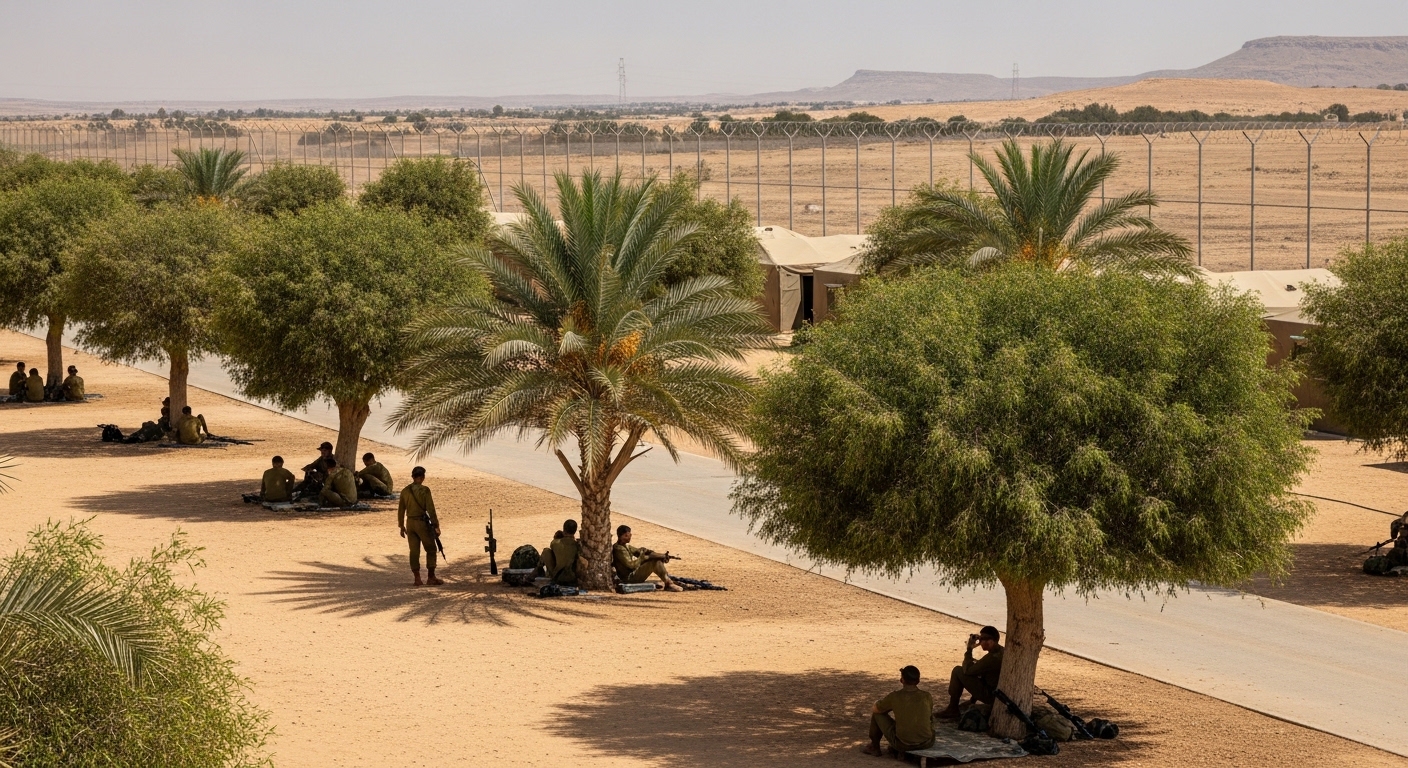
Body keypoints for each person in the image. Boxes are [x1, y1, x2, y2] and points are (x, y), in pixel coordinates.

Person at [864, 665, 936, 757]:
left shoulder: (895, 696)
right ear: (918, 681)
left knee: (877, 714)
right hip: (927, 743)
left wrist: (879, 703)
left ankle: (874, 746)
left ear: (901, 680)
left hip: (902, 744)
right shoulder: (927, 696)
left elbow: (876, 709)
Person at [935, 626, 1005, 720]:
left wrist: (969, 649)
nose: (980, 643)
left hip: (992, 695)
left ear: (990, 641)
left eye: (982, 639)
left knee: (957, 671)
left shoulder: (992, 658)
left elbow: (967, 670)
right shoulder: (1001, 651)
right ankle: (972, 701)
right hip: (999, 692)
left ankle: (953, 708)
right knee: (979, 673)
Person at [398, 466, 442, 586]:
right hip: (421, 523)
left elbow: (401, 510)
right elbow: (431, 509)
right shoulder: (425, 490)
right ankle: (431, 577)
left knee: (414, 551)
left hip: (410, 523)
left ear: (413, 477)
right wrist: (436, 525)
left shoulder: (405, 491)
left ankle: (417, 579)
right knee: (431, 548)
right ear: (422, 477)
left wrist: (401, 526)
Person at [612, 525, 682, 591]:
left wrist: (660, 556)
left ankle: (668, 582)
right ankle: (668, 583)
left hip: (632, 575)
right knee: (653, 562)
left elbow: (639, 551)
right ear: (620, 536)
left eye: (629, 535)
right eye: (626, 536)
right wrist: (644, 558)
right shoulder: (619, 549)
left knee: (655, 560)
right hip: (628, 578)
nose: (629, 537)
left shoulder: (626, 546)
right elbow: (631, 565)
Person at [540, 519, 587, 586]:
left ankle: (533, 574)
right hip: (572, 578)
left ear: (564, 530)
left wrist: (558, 537)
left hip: (558, 577)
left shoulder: (555, 543)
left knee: (546, 551)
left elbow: (554, 549)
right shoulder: (577, 545)